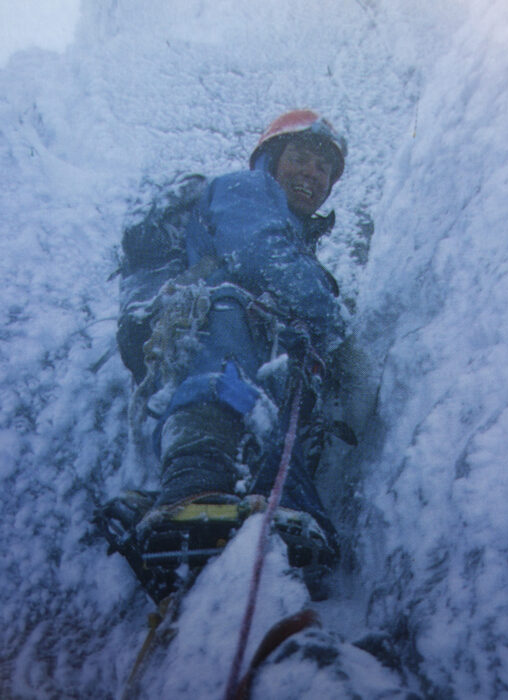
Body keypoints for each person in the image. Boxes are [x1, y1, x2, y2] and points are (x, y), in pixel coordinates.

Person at [99, 110, 352, 602]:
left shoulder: (297, 240)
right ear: (270, 161)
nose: (312, 174)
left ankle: (287, 505)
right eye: (300, 158)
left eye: (324, 170)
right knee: (230, 312)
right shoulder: (246, 189)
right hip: (209, 329)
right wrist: (336, 323)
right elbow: (258, 256)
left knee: (279, 381)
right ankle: (194, 481)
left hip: (243, 349)